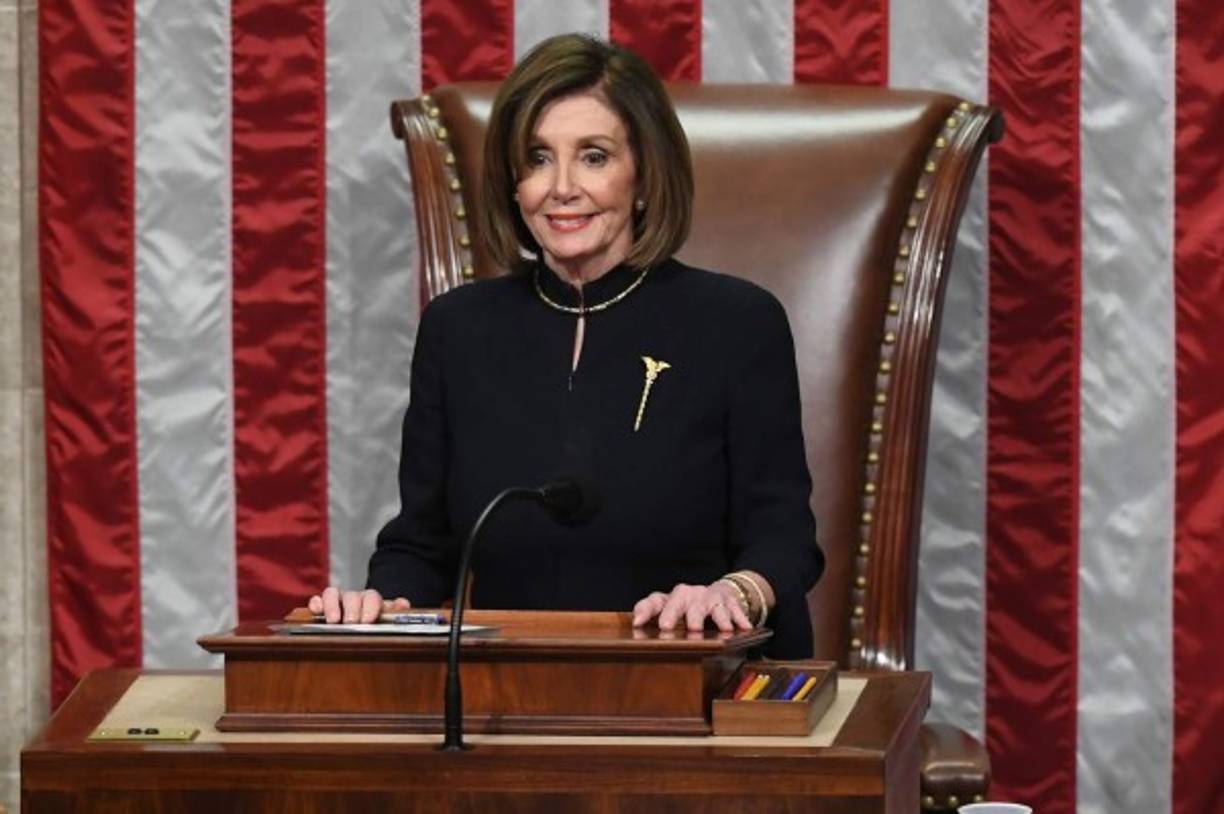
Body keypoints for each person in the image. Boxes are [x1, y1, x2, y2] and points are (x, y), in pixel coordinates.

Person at [309, 33, 823, 658]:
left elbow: (783, 537)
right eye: (538, 158)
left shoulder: (738, 323)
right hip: (507, 696)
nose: (562, 188)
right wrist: (380, 604)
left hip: (691, 688)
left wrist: (734, 593)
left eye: (595, 157)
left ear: (643, 174)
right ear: (513, 183)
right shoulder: (458, 330)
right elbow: (423, 543)